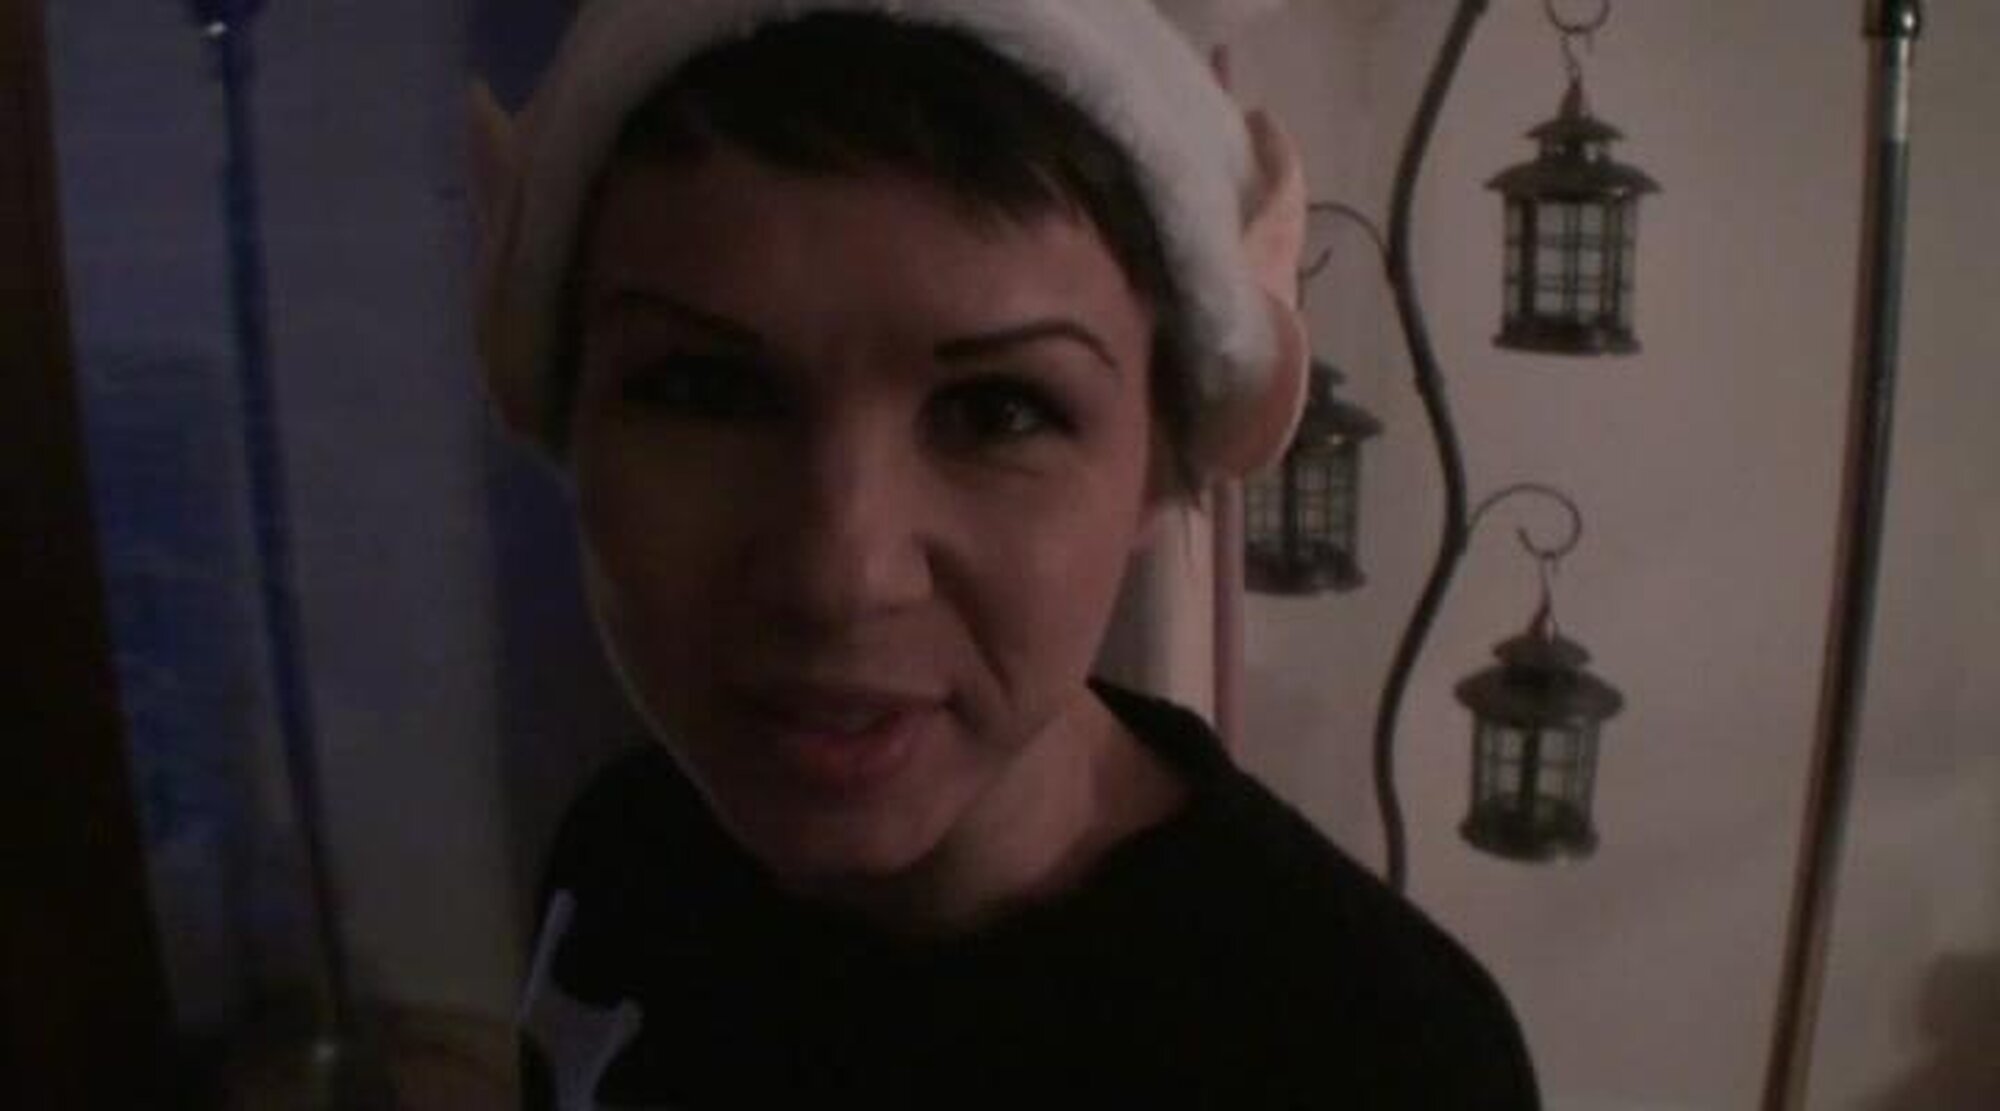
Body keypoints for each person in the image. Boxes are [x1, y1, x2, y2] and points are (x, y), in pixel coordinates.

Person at [471, 2, 1539, 1106]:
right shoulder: (626, 848)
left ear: (1162, 459)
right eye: (704, 388)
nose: (839, 578)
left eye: (996, 411)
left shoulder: (1371, 1055)